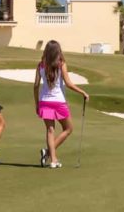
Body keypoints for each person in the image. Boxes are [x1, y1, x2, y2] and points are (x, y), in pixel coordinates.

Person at [33, 40, 89, 169]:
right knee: (68, 129)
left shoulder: (40, 65)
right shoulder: (61, 64)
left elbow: (35, 86)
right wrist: (83, 92)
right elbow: (69, 84)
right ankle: (50, 156)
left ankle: (51, 158)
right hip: (59, 102)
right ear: (58, 52)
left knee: (50, 130)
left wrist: (37, 104)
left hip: (44, 102)